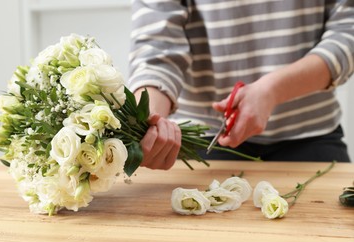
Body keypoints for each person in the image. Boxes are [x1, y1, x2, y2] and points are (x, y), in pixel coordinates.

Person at [128, 0, 354, 170]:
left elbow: (347, 33)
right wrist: (145, 122)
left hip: (311, 134)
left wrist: (273, 90)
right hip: (204, 139)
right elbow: (157, 52)